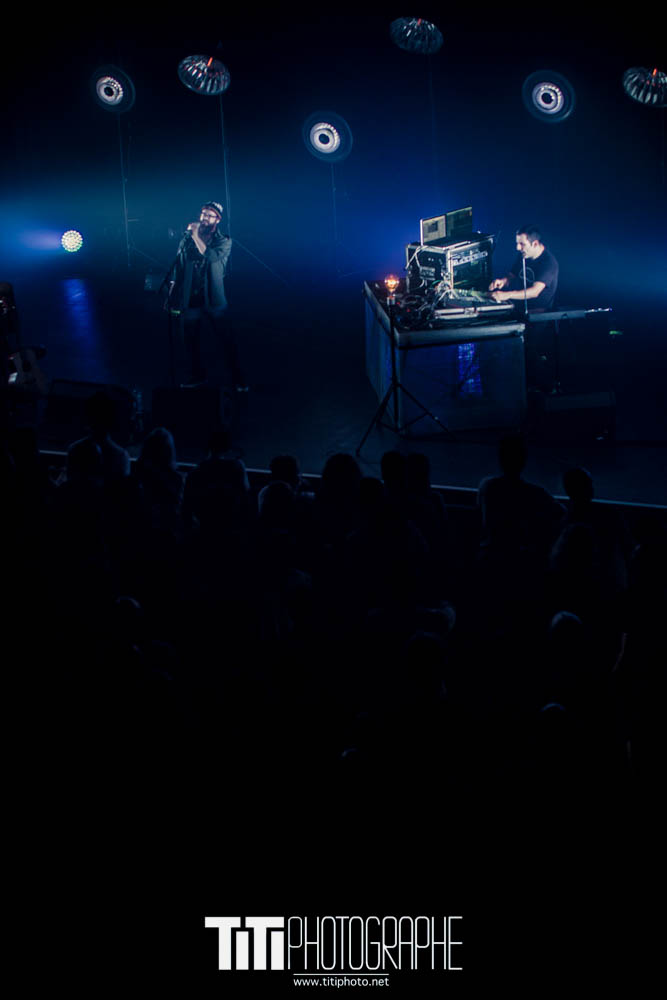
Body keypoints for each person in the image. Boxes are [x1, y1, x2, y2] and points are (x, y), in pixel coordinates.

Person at [164, 201, 247, 391]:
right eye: (203, 213)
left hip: (214, 298)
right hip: (191, 297)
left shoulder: (224, 241)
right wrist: (171, 293)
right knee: (190, 341)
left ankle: (238, 379)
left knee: (225, 341)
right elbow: (179, 268)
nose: (204, 218)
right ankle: (197, 376)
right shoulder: (187, 240)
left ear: (217, 219)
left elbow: (210, 256)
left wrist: (194, 234)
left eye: (210, 215)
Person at [488, 225, 559, 311]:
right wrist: (502, 281)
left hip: (538, 312)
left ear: (535, 244)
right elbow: (511, 275)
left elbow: (534, 292)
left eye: (522, 244)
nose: (518, 248)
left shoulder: (549, 262)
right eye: (517, 243)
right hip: (520, 307)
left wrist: (507, 295)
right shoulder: (524, 254)